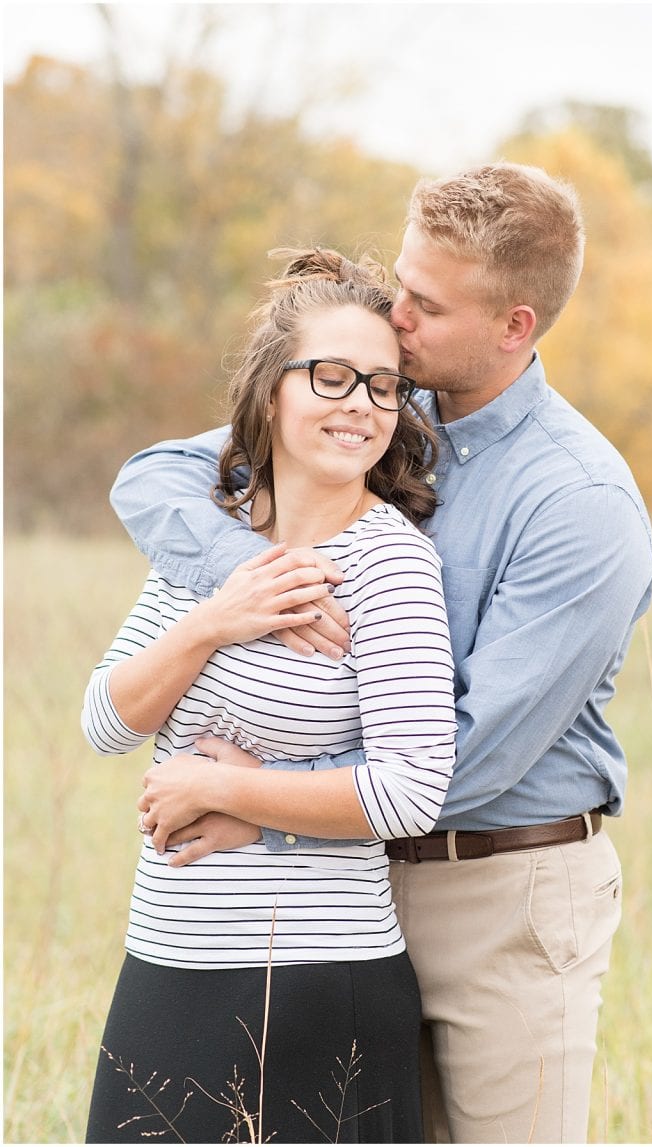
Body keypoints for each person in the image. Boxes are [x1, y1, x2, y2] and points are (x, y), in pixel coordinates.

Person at [109, 163, 652, 1144]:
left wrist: (252, 797)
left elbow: (467, 758)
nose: (394, 318)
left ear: (515, 326)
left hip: (499, 894)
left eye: (426, 305)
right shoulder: (380, 417)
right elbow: (155, 479)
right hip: (353, 893)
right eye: (401, 283)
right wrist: (254, 576)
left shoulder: (580, 507)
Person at [81, 247, 457, 1145]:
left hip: (314, 977)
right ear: (270, 392)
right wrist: (220, 616)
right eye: (332, 376)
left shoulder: (391, 564)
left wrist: (224, 790)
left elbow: (411, 789)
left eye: (383, 385)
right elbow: (103, 720)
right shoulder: (216, 539)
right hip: (167, 959)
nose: (360, 403)